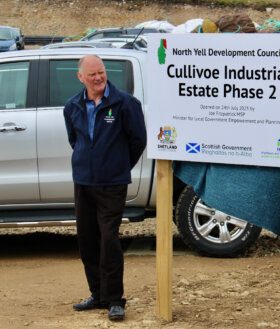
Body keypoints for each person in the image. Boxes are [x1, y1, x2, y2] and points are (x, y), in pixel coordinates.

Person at [63, 55, 147, 321]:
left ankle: (115, 299)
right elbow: (74, 139)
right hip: (84, 182)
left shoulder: (124, 103)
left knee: (108, 239)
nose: (98, 78)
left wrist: (118, 165)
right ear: (80, 78)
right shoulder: (72, 106)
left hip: (112, 184)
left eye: (101, 72)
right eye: (92, 75)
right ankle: (97, 294)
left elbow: (138, 140)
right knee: (87, 239)